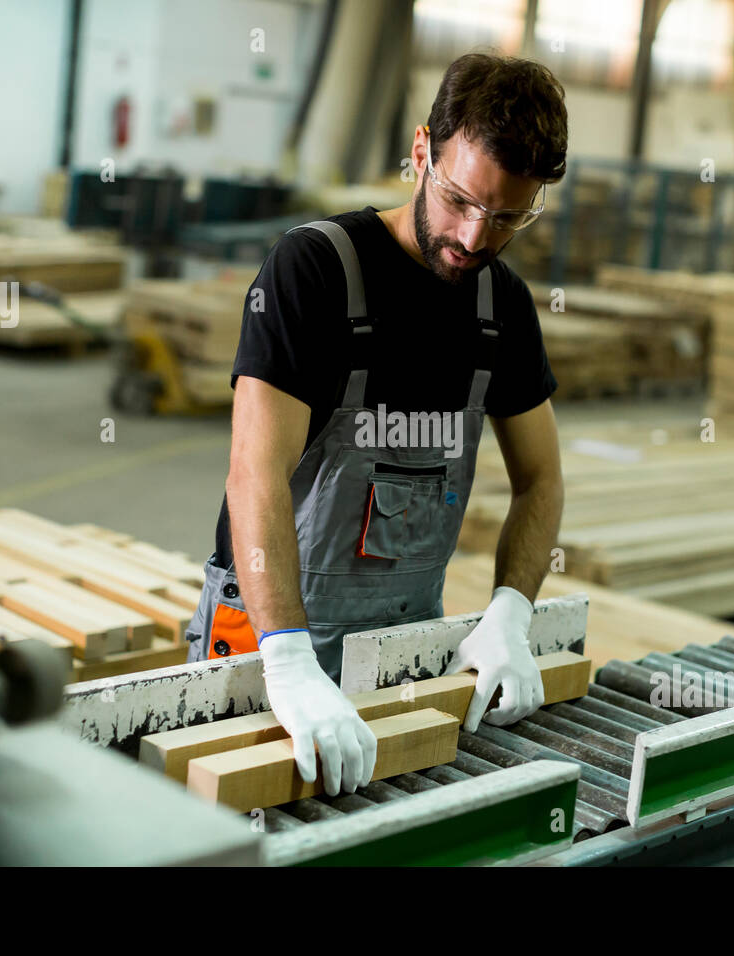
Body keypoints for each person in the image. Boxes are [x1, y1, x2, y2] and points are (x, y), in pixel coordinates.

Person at [185, 53, 568, 797]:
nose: (473, 236)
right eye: (460, 199)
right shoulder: (316, 272)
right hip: (266, 641)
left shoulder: (503, 310)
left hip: (403, 648)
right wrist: (290, 663)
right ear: (422, 150)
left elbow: (542, 478)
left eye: (507, 217)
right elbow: (253, 473)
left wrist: (512, 612)